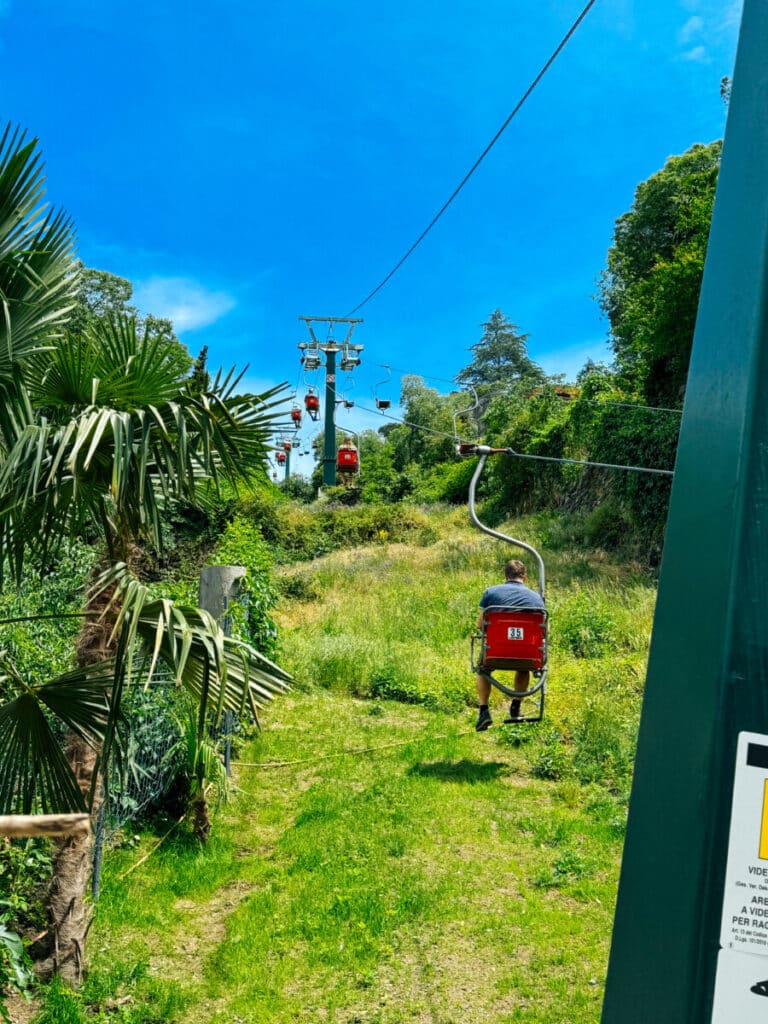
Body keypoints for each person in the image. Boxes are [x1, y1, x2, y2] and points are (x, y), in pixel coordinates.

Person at [475, 558, 545, 731]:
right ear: (524, 577)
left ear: (505, 576)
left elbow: (480, 624)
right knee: (523, 667)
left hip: (496, 652)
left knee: (483, 669)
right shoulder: (536, 598)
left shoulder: (491, 592)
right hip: (527, 654)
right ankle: (516, 707)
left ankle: (484, 710)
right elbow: (544, 629)